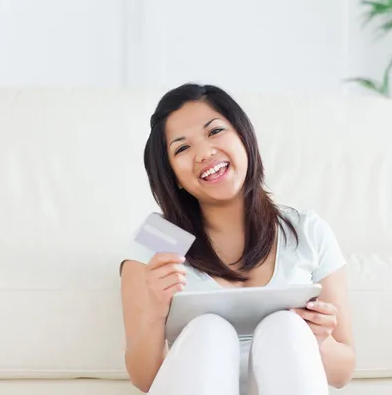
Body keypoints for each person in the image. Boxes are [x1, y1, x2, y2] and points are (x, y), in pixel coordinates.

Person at [119, 83, 355, 395]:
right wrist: (155, 312)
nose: (204, 153)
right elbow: (143, 378)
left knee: (286, 328)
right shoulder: (161, 237)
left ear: (243, 136)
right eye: (182, 148)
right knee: (209, 331)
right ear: (173, 175)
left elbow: (342, 373)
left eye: (215, 131)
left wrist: (320, 339)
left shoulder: (306, 231)